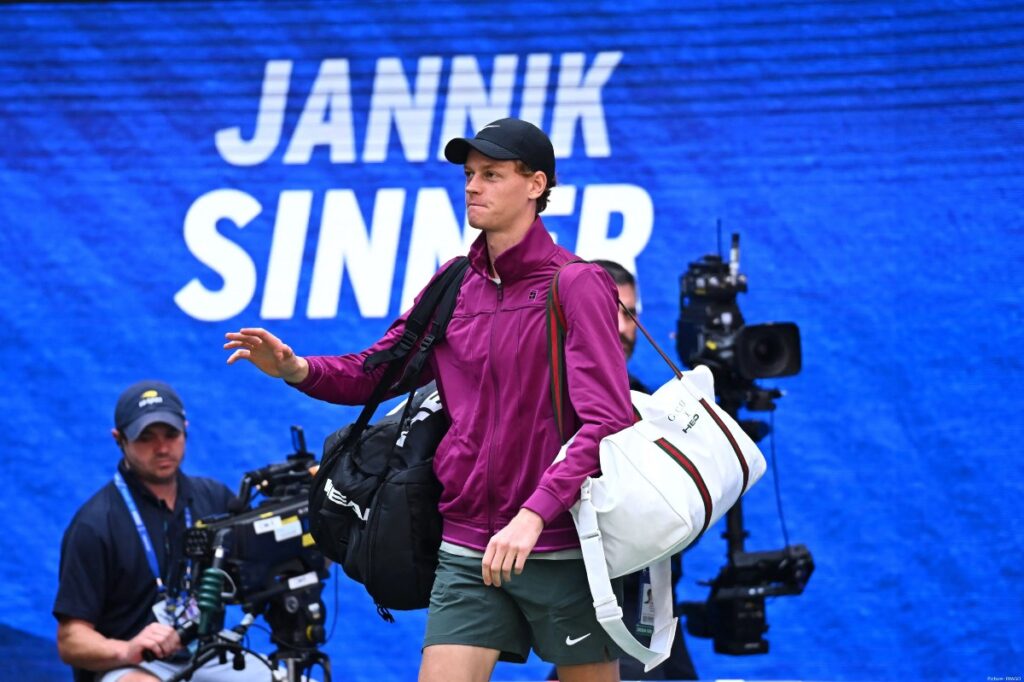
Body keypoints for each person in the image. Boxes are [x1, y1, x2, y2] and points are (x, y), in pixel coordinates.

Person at [224, 118, 634, 682]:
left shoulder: (577, 284)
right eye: (469, 174)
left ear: (536, 185)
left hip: (560, 545)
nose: (472, 186)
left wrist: (535, 514)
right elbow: (379, 371)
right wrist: (296, 368)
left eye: (491, 174)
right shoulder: (454, 283)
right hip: (466, 545)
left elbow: (609, 419)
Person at [53, 380, 269, 682]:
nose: (162, 448)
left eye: (171, 434)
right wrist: (126, 650)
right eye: (146, 437)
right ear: (119, 439)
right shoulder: (94, 524)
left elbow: (267, 567)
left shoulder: (214, 498)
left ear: (186, 429)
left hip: (207, 656)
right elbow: (70, 640)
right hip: (133, 666)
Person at [588, 259, 700, 681]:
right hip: (604, 595)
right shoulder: (555, 399)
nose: (625, 327)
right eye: (614, 311)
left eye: (631, 313)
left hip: (653, 592)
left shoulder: (644, 398)